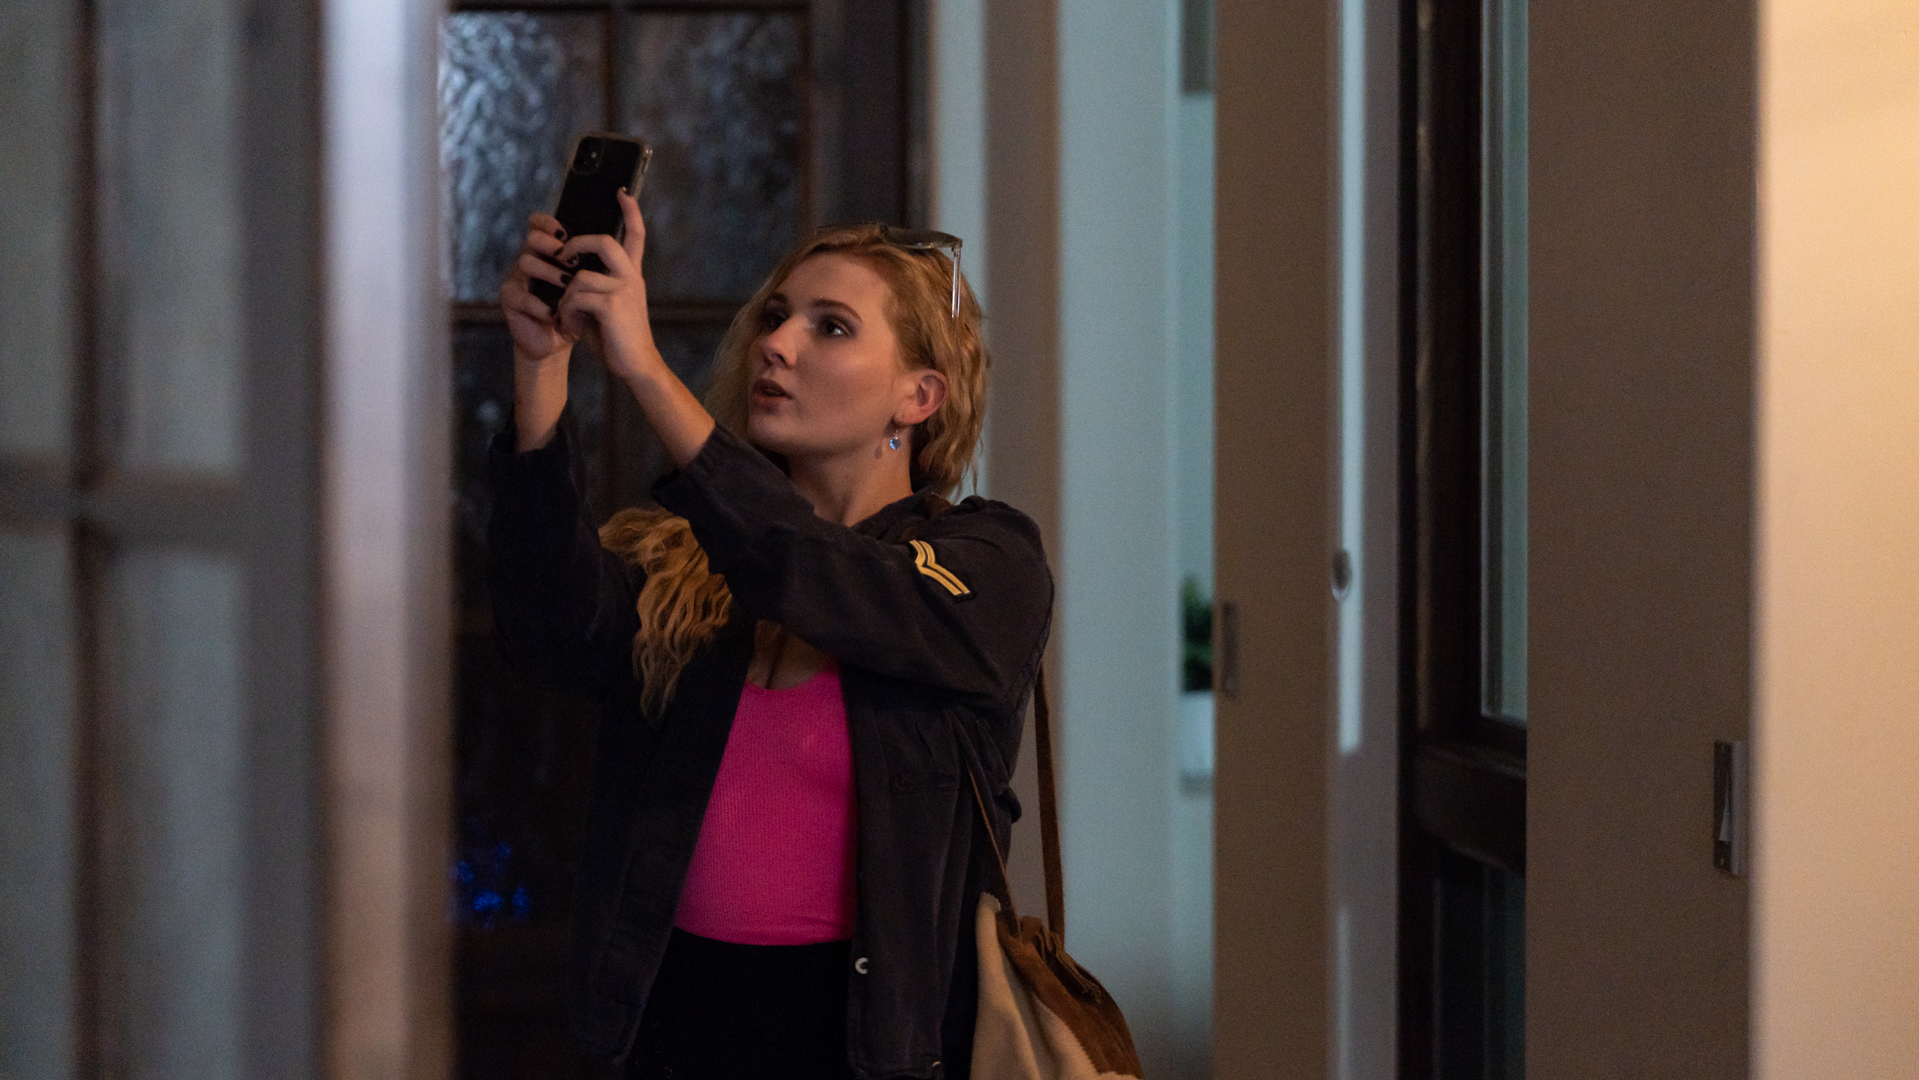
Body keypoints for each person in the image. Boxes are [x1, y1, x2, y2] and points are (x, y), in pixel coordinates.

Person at [487, 189, 1053, 1079]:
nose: (777, 344)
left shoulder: (984, 562)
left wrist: (645, 370)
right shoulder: (689, 557)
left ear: (919, 396)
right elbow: (548, 632)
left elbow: (813, 573)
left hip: (866, 1043)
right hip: (670, 1021)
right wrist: (540, 371)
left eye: (831, 328)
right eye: (776, 316)